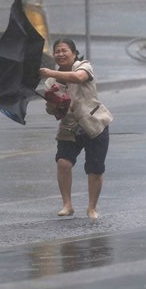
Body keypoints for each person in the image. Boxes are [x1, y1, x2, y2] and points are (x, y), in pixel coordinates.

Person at [39, 38, 113, 219]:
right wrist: (54, 102)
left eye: (64, 50)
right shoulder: (50, 82)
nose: (60, 54)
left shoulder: (84, 66)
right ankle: (67, 205)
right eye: (57, 51)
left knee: (94, 169)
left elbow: (78, 78)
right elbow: (51, 111)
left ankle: (92, 208)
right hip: (69, 127)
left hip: (94, 124)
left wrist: (51, 73)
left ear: (73, 53)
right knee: (63, 163)